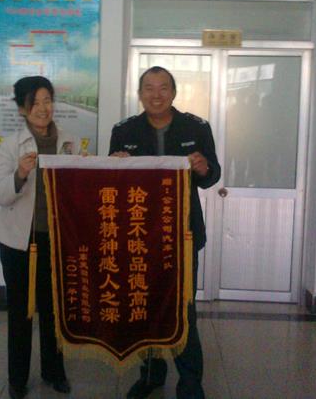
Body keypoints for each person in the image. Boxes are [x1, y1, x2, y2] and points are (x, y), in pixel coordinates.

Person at [109, 66, 221, 399]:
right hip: (139, 235)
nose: (156, 95)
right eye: (149, 88)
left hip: (182, 234)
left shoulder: (196, 127)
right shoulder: (124, 130)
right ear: (139, 93)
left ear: (173, 92)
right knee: (144, 306)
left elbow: (211, 176)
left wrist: (204, 168)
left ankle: (190, 381)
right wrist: (115, 165)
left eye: (163, 88)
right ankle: (151, 375)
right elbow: (111, 185)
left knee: (183, 309)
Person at [0, 76, 77, 399]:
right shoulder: (12, 145)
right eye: (35, 103)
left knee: (54, 311)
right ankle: (17, 378)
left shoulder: (68, 143)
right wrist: (21, 174)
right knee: (21, 313)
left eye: (47, 101)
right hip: (19, 244)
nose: (43, 108)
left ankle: (54, 372)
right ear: (22, 109)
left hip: (56, 242)